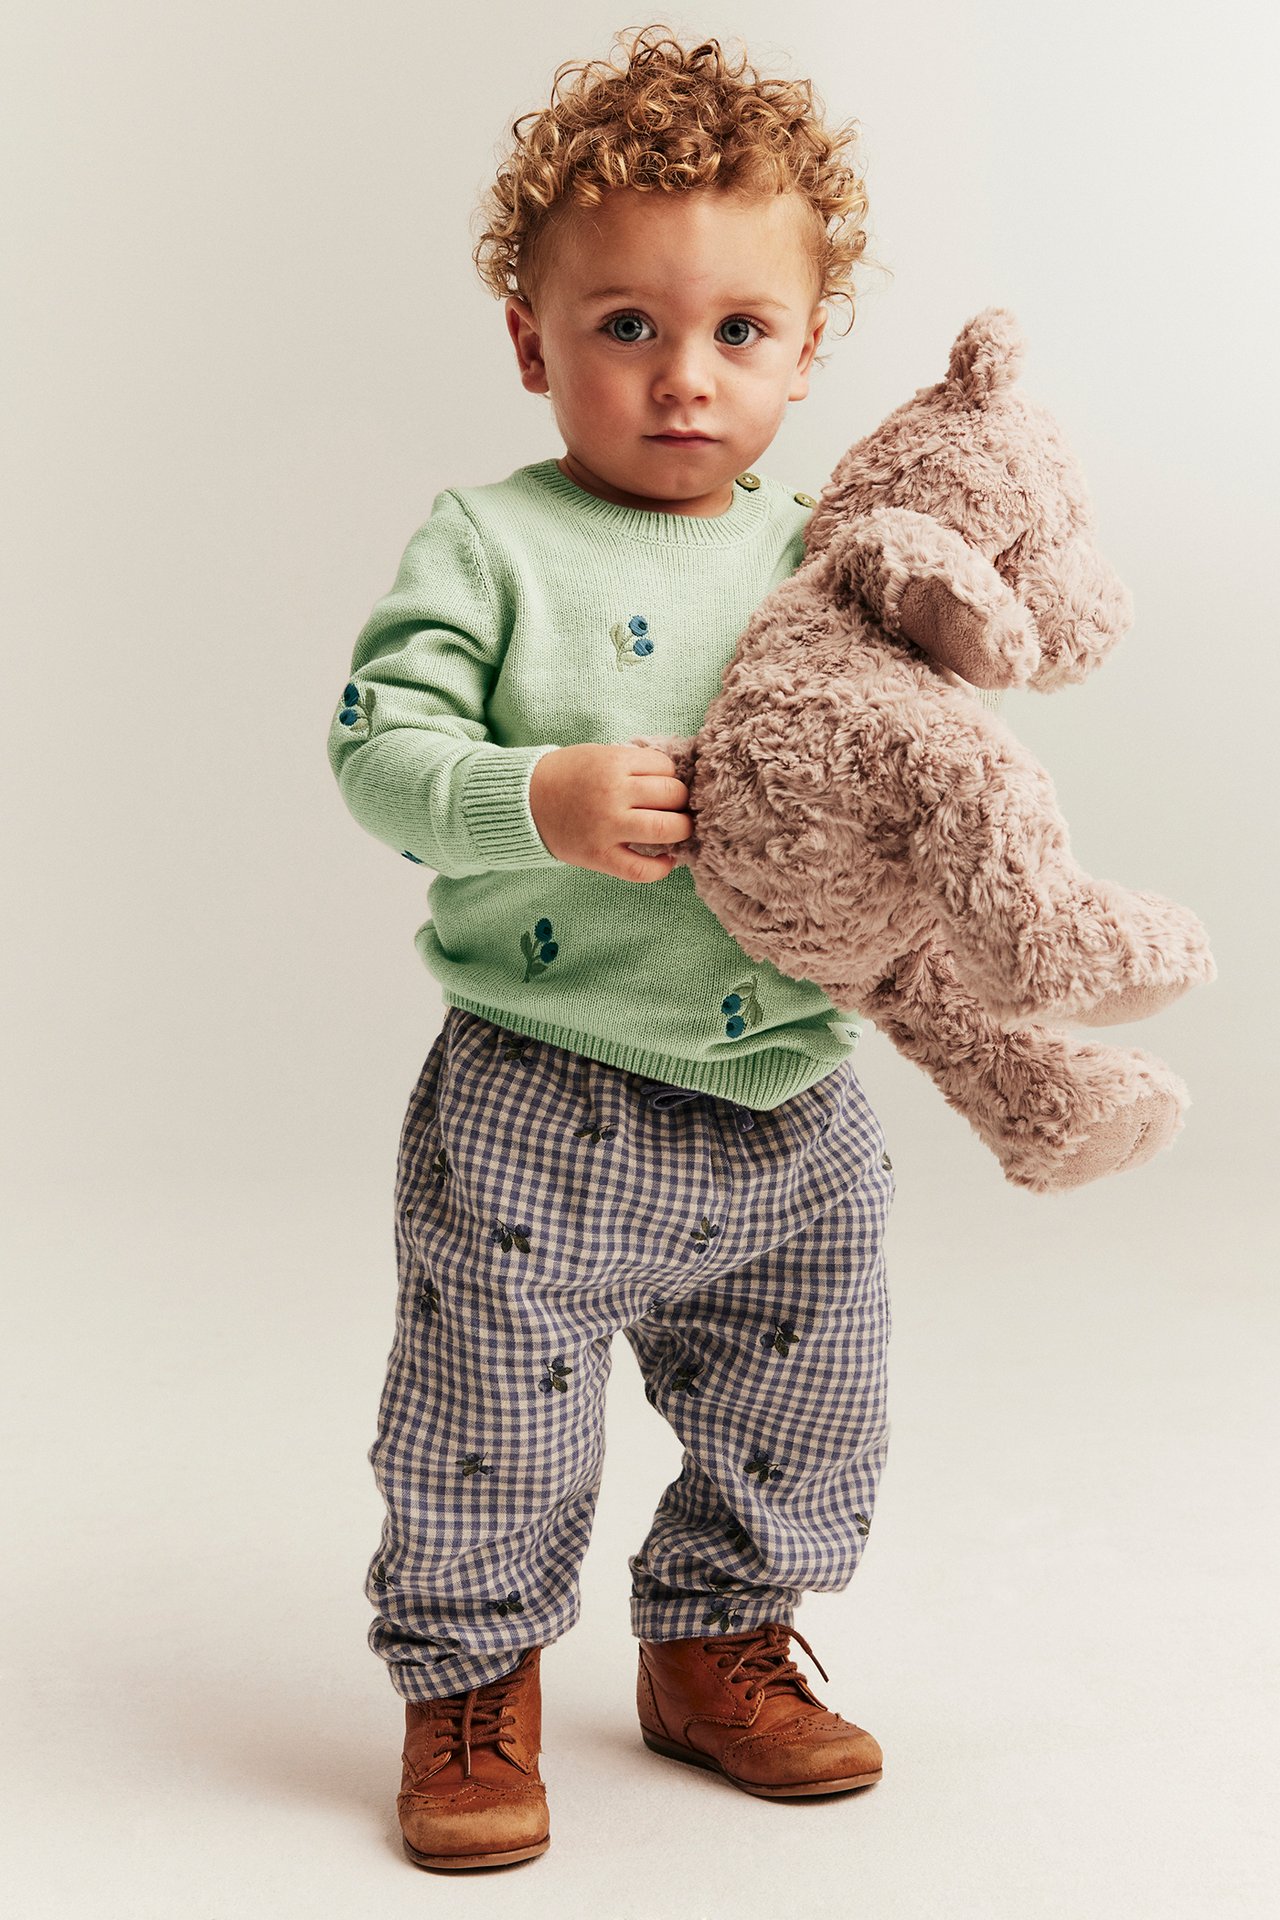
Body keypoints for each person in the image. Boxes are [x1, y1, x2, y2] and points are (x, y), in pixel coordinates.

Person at [327, 22, 898, 1874]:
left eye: (739, 331)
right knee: (490, 1413)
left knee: (811, 1382)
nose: (682, 379)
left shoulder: (826, 559)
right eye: (625, 326)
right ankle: (471, 1675)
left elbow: (903, 764)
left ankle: (722, 1642)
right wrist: (533, 795)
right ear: (532, 342)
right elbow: (374, 752)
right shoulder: (491, 545)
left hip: (791, 1082)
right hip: (545, 1082)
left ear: (808, 353)